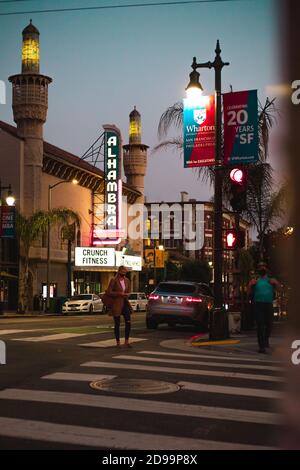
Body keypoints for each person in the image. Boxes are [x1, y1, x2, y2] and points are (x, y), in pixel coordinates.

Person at [247, 263, 281, 353]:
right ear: (259, 270)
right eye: (260, 267)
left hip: (268, 305)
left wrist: (276, 283)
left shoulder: (271, 280)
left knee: (269, 324)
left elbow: (280, 290)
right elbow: (249, 293)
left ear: (266, 269)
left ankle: (265, 339)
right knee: (260, 325)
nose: (262, 268)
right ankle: (261, 346)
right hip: (258, 305)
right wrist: (250, 285)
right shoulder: (255, 281)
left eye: (264, 267)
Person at [106, 265, 133, 347]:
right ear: (119, 271)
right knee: (117, 323)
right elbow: (109, 292)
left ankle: (126, 341)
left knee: (128, 321)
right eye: (122, 272)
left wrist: (127, 294)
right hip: (116, 303)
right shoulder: (113, 280)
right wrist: (119, 293)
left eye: (125, 272)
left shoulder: (127, 280)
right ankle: (118, 342)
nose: (124, 274)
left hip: (125, 302)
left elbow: (129, 291)